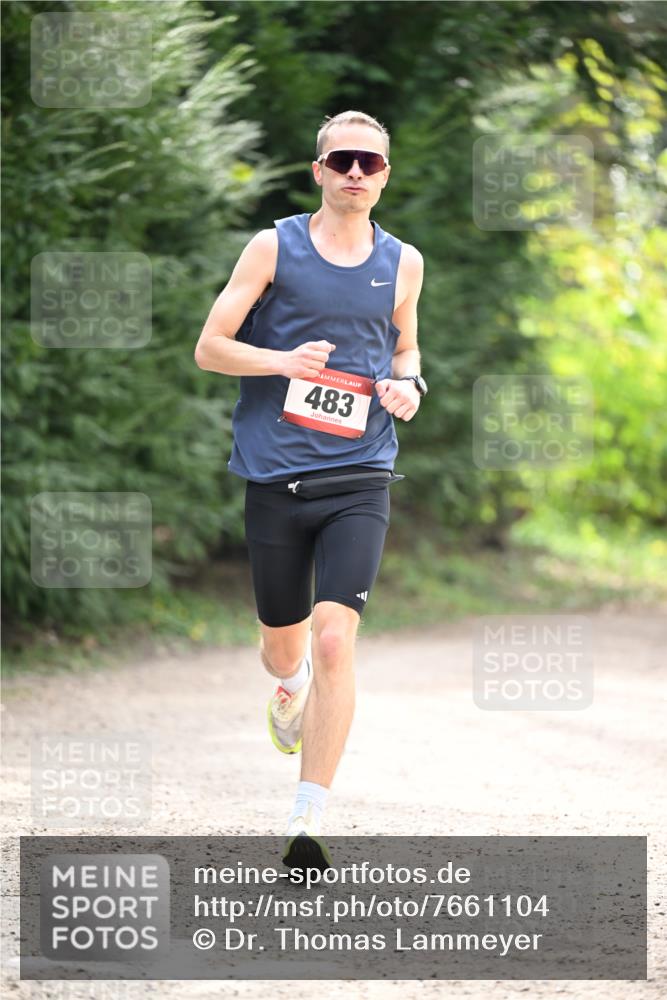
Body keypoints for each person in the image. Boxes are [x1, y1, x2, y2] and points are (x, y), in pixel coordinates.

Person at [195, 109, 426, 869]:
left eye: (370, 163)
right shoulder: (274, 245)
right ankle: (286, 685)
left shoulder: (403, 261)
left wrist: (407, 385)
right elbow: (210, 348)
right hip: (274, 473)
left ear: (384, 176)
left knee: (336, 640)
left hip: (360, 469)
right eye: (343, 162)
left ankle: (306, 817)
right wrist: (281, 362)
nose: (356, 173)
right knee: (282, 648)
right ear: (319, 171)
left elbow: (404, 346)